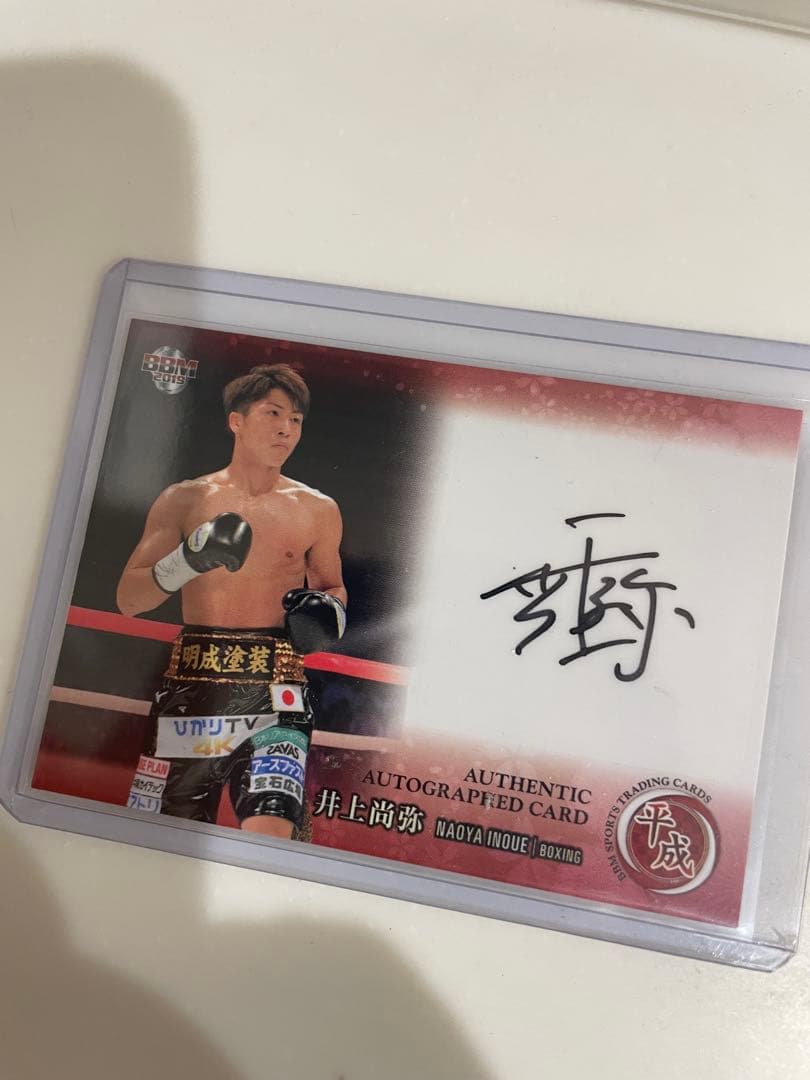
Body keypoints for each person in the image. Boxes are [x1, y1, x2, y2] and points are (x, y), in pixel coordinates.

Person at [116, 363, 347, 840]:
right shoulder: (184, 499)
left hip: (278, 685)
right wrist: (187, 560)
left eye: (296, 419)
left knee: (272, 827)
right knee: (165, 835)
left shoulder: (318, 509)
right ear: (236, 421)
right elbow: (129, 599)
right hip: (193, 683)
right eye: (273, 413)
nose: (286, 428)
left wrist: (326, 614)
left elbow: (333, 587)